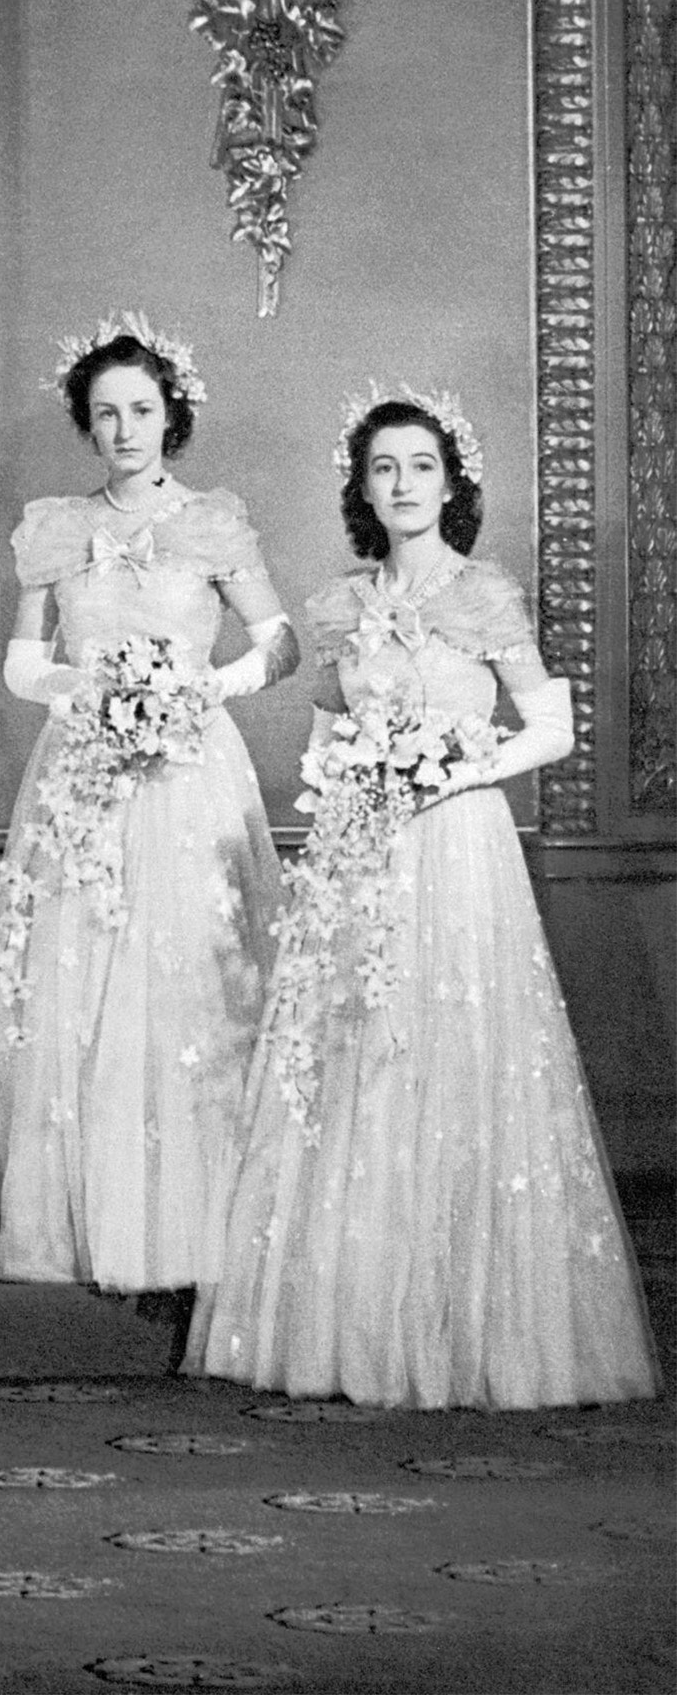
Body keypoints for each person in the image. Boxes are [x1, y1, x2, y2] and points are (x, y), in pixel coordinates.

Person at [192, 393, 657, 1410]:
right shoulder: (341, 606)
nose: (401, 484)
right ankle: (350, 1318)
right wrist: (344, 785)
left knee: (449, 1057)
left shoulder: (483, 594)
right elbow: (320, 740)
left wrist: (449, 769)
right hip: (359, 854)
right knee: (357, 1060)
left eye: (419, 466)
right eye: (383, 469)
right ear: (360, 487)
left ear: (452, 482)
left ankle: (462, 1324)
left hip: (455, 853)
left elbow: (548, 727)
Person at [0, 316, 292, 1293]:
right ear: (86, 423)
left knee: (192, 977)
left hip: (190, 766)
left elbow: (279, 640)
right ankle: (86, 1219)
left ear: (172, 417)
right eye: (106, 413)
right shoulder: (55, 527)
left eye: (142, 411)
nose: (125, 429)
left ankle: (201, 1227)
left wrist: (205, 688)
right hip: (84, 773)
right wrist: (88, 689)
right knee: (86, 977)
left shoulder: (212, 521)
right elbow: (20, 660)